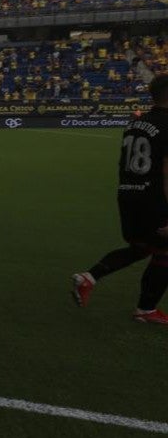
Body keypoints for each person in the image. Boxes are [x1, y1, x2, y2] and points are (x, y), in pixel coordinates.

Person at [72, 74, 168, 324]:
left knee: (141, 248)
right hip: (154, 198)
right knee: (164, 253)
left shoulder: (136, 123)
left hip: (128, 194)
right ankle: (146, 310)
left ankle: (88, 278)